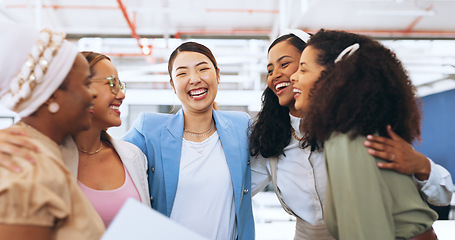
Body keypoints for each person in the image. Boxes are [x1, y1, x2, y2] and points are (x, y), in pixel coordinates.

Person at [249, 30, 453, 239]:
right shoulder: (271, 139)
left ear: (331, 74)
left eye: (292, 66)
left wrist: (421, 165)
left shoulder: (352, 135)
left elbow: (377, 225)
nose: (280, 75)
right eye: (270, 69)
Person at [122, 41, 254, 240]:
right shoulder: (149, 129)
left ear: (218, 75)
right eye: (182, 73)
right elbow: (104, 156)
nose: (194, 79)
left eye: (203, 69)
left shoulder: (241, 126)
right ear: (173, 86)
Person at [0, 23, 104, 239]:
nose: (92, 94)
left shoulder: (45, 152)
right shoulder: (28, 165)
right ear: (51, 97)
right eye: (86, 83)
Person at [61, 51, 151, 227]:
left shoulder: (133, 157)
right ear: (79, 87)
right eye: (111, 84)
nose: (121, 95)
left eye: (120, 86)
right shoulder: (50, 158)